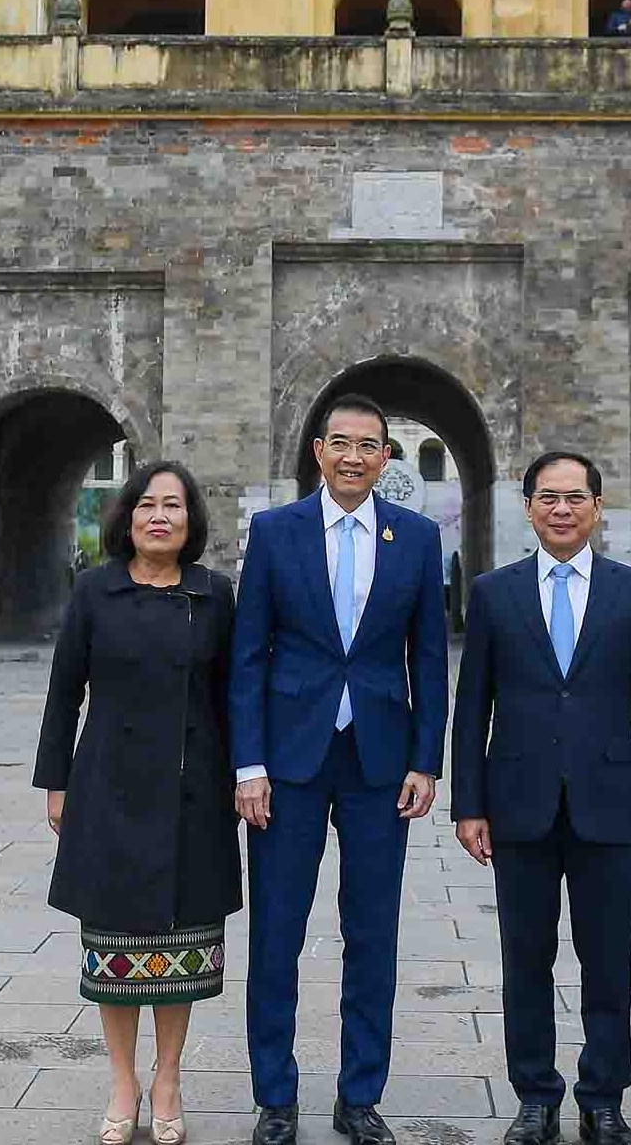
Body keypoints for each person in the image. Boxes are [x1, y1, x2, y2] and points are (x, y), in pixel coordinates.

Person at [230, 393, 449, 1145]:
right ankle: (276, 1097)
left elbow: (430, 658)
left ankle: (359, 1096)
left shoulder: (415, 538)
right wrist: (248, 762)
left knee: (373, 932)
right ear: (318, 452)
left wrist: (428, 760)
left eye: (371, 446)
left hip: (380, 761)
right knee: (277, 932)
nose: (355, 457)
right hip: (288, 761)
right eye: (342, 443)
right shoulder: (274, 533)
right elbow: (248, 655)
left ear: (387, 459)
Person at [451, 452, 631, 1145]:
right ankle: (536, 1098)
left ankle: (603, 1098)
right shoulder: (494, 592)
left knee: (606, 960)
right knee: (526, 957)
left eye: (575, 497)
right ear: (527, 507)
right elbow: (473, 705)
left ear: (598, 507)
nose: (561, 509)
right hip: (518, 802)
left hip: (610, 802)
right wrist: (469, 804)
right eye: (548, 497)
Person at [34, 461, 241, 1145]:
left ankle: (169, 1077)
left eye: (173, 507)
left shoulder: (215, 595)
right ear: (126, 518)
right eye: (147, 505)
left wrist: (245, 775)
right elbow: (66, 690)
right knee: (113, 945)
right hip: (108, 788)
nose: (160, 517)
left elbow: (230, 694)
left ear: (191, 522)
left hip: (193, 789)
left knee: (182, 944)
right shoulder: (95, 590)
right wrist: (55, 783)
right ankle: (123, 1080)